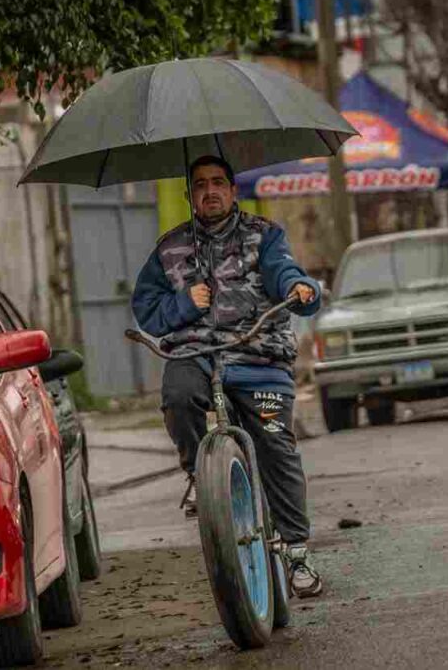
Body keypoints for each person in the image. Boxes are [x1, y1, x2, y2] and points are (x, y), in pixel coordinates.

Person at [130, 155, 323, 598]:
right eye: (200, 185)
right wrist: (183, 304)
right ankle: (200, 475)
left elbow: (284, 275)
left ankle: (296, 551)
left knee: (276, 442)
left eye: (218, 182)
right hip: (197, 355)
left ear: (234, 190)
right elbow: (146, 311)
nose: (210, 191)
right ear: (189, 195)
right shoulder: (168, 249)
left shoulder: (266, 236)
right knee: (178, 396)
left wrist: (301, 289)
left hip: (259, 358)